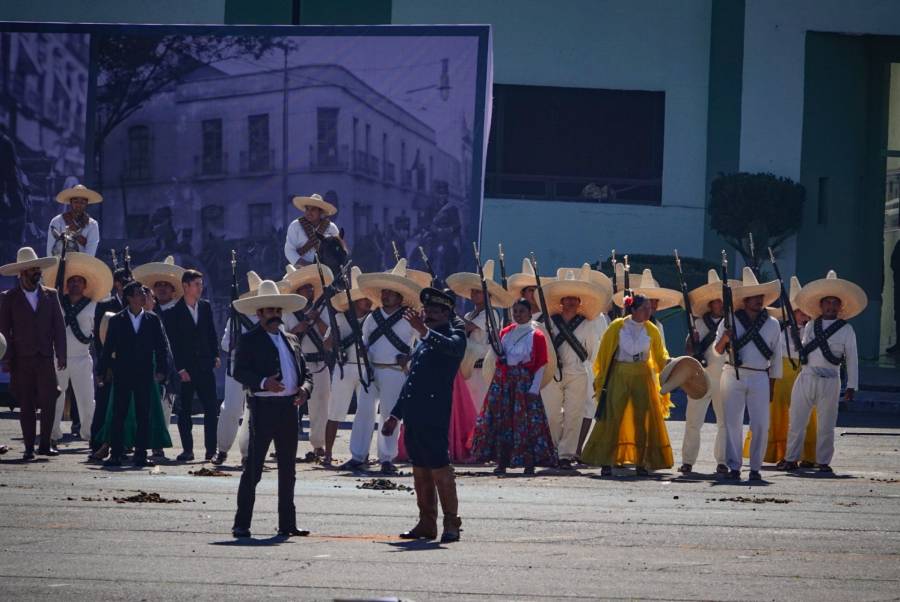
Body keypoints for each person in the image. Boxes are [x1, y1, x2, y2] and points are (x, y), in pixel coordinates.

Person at [382, 287, 467, 542]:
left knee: (440, 467)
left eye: (433, 311)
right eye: (426, 310)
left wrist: (424, 331)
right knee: (419, 468)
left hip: (435, 414)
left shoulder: (454, 335)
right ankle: (426, 523)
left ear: (446, 313)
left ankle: (451, 523)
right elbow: (411, 383)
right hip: (415, 415)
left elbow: (453, 349)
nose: (427, 314)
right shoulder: (422, 342)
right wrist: (395, 415)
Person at [230, 280, 313, 539]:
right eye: (269, 311)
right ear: (259, 314)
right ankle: (241, 523)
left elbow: (306, 373)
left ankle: (287, 523)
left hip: (289, 409)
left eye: (277, 310)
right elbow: (239, 371)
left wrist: (304, 389)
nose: (275, 315)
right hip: (263, 407)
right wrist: (265, 382)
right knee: (254, 468)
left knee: (288, 469)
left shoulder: (292, 339)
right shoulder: (249, 339)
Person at [341, 259, 422, 474]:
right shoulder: (372, 317)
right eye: (384, 292)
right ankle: (358, 456)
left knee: (390, 415)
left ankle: (387, 458)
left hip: (395, 372)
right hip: (371, 371)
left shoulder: (409, 317)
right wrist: (363, 351)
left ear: (400, 296)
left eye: (390, 293)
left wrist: (409, 360)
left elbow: (422, 343)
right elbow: (366, 341)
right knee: (363, 412)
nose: (385, 296)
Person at [582, 293, 673, 476]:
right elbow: (604, 353)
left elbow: (660, 354)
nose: (648, 312)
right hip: (620, 374)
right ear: (633, 309)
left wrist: (672, 364)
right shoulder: (617, 326)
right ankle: (606, 461)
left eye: (649, 308)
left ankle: (642, 461)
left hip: (642, 375)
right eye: (644, 308)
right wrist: (600, 378)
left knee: (642, 418)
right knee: (613, 416)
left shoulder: (651, 329)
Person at [784, 271, 865, 474]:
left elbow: (852, 359)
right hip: (807, 376)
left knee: (827, 424)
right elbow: (801, 351)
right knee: (797, 420)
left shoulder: (847, 330)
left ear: (840, 306)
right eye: (827, 302)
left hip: (831, 378)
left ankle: (823, 461)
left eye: (834, 303)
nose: (830, 306)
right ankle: (791, 458)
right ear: (821, 305)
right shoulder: (811, 325)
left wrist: (852, 386)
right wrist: (796, 336)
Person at [471, 298, 558, 474]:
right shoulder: (506, 332)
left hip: (524, 383)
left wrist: (534, 388)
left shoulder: (537, 335)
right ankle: (502, 462)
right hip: (503, 382)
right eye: (515, 311)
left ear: (529, 313)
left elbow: (541, 364)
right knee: (501, 421)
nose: (518, 315)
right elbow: (497, 356)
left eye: (521, 311)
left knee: (525, 423)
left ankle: (528, 462)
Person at [539, 265, 611, 469]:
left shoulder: (587, 323)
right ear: (561, 301)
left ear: (579, 302)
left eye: (574, 299)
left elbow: (592, 351)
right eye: (567, 298)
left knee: (574, 413)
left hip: (578, 372)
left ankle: (566, 454)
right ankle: (553, 448)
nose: (570, 302)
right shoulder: (549, 322)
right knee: (552, 414)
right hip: (553, 373)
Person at [715, 267, 783, 481]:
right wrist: (726, 338)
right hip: (732, 373)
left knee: (761, 423)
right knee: (732, 422)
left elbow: (777, 357)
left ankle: (755, 467)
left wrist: (772, 384)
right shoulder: (730, 320)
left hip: (760, 375)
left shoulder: (772, 324)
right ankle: (734, 466)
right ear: (744, 301)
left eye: (760, 297)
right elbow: (717, 351)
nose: (758, 301)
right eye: (753, 297)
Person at [743, 277, 817, 468]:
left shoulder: (812, 331)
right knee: (780, 413)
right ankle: (781, 453)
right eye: (799, 312)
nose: (803, 316)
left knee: (804, 415)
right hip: (782, 373)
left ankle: (806, 454)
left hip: (803, 372)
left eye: (805, 313)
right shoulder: (780, 329)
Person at [0, 247, 66, 460]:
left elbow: (59, 326)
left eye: (38, 268)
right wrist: (7, 358)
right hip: (21, 358)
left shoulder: (51, 295)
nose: (37, 272)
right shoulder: (9, 297)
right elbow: (3, 330)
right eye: (32, 269)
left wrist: (62, 354)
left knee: (49, 400)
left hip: (45, 356)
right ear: (22, 273)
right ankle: (29, 446)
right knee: (26, 403)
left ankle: (45, 444)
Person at [97, 281, 171, 467]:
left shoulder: (152, 319)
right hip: (122, 372)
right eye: (139, 294)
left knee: (143, 414)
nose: (143, 297)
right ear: (129, 298)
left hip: (145, 373)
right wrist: (102, 371)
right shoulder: (117, 320)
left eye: (144, 294)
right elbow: (108, 349)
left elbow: (161, 347)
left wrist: (162, 370)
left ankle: (140, 453)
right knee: (119, 414)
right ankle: (116, 452)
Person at [42, 252, 112, 445]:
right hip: (59, 357)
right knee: (55, 398)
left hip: (82, 357)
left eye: (79, 281)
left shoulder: (93, 305)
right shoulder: (56, 301)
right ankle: (52, 433)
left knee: (87, 399)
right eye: (71, 281)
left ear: (85, 285)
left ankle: (89, 434)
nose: (75, 284)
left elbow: (99, 333)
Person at [679, 269, 739, 475]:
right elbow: (688, 351)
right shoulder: (698, 323)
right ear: (710, 304)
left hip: (724, 376)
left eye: (723, 302)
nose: (720, 305)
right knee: (693, 421)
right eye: (717, 302)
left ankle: (722, 461)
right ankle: (687, 460)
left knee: (724, 422)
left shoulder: (733, 323)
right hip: (701, 376)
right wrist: (693, 340)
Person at [132, 254, 184, 458]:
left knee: (164, 406)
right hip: (144, 364)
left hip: (169, 366)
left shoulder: (179, 312)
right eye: (158, 285)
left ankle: (158, 444)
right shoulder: (142, 312)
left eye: (166, 285)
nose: (162, 288)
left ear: (173, 289)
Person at [446, 259, 515, 414]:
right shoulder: (470, 314)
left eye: (479, 291)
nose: (474, 294)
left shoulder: (491, 314)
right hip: (467, 366)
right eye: (474, 291)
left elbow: (467, 327)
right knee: (466, 409)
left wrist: (451, 312)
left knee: (479, 409)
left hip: (482, 368)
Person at [281, 263, 334, 460]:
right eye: (305, 287)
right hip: (295, 363)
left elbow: (328, 336)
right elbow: (281, 337)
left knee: (321, 405)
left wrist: (315, 319)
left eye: (311, 287)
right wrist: (299, 328)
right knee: (289, 406)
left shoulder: (322, 310)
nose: (310, 290)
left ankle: (319, 445)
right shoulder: (287, 312)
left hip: (319, 364)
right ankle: (284, 445)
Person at [166, 269, 221, 462]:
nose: (200, 288)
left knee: (212, 409)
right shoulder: (174, 313)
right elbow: (173, 344)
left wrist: (215, 354)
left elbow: (211, 332)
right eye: (196, 284)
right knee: (185, 410)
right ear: (186, 286)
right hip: (186, 369)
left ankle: (210, 450)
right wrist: (180, 369)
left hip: (205, 366)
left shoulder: (205, 307)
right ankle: (187, 449)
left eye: (201, 284)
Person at [212, 271, 263, 467]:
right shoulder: (236, 318)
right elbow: (225, 344)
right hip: (237, 368)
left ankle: (248, 452)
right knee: (231, 408)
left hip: (259, 370)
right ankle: (222, 449)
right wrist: (238, 343)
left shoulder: (270, 317)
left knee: (253, 411)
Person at [324, 267, 374, 466]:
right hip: (344, 367)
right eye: (363, 298)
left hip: (365, 368)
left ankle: (363, 453)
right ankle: (328, 453)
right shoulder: (339, 318)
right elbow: (327, 344)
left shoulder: (373, 319)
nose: (368, 302)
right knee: (335, 412)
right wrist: (336, 340)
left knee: (366, 413)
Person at [89, 266, 132, 457]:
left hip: (129, 364)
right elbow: (99, 340)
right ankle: (96, 443)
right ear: (117, 284)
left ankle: (124, 443)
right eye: (124, 281)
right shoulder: (104, 305)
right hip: (110, 363)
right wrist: (104, 366)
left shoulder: (135, 305)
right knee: (104, 404)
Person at [284, 193, 341, 267]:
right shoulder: (296, 225)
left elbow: (338, 250)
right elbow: (289, 250)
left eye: (313, 209)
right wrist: (305, 265)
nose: (308, 212)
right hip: (300, 270)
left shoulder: (331, 228)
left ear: (320, 211)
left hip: (325, 270)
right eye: (307, 209)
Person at [47, 184, 101, 258]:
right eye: (76, 202)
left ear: (86, 204)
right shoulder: (57, 221)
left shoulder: (92, 225)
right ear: (71, 202)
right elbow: (50, 251)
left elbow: (90, 253)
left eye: (82, 202)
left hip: (82, 265)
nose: (79, 205)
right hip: (59, 264)